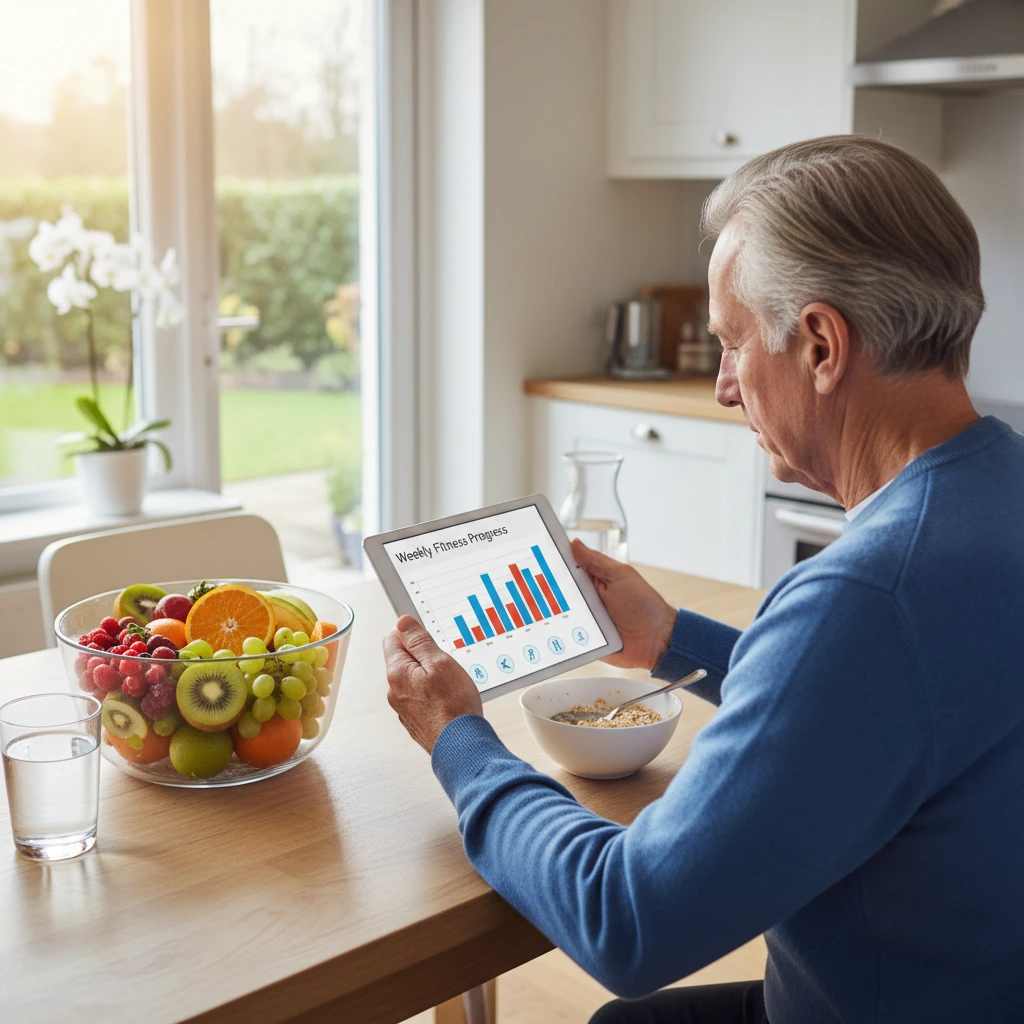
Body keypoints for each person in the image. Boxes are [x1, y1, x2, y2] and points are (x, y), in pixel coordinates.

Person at [382, 136, 1024, 1023]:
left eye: (732, 344)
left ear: (822, 345)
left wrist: (460, 740)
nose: (724, 388)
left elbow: (627, 922)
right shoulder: (999, 492)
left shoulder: (867, 596)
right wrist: (672, 640)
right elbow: (890, 706)